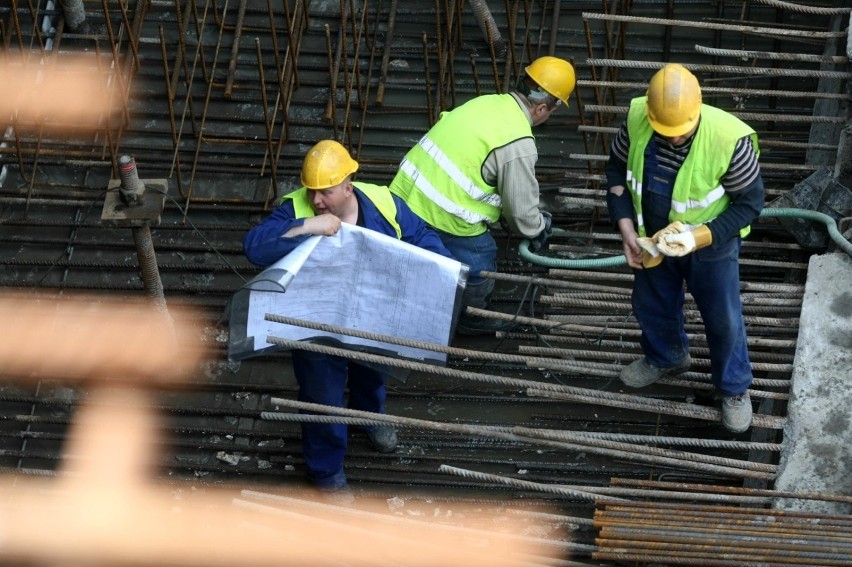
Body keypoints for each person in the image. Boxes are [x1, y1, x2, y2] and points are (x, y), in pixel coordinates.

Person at [243, 139, 453, 495]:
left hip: (372, 312)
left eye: (324, 193)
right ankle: (327, 474)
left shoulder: (384, 203)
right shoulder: (296, 209)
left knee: (372, 373)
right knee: (322, 398)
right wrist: (309, 225)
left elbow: (422, 237)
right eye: (311, 192)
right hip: (317, 321)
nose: (316, 200)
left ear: (347, 187)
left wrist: (441, 274)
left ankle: (368, 417)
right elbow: (254, 247)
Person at [605, 63, 765, 433]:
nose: (673, 139)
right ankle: (667, 356)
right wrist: (626, 228)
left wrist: (696, 238)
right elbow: (616, 171)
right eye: (665, 132)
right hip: (652, 238)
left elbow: (749, 205)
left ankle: (734, 388)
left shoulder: (729, 141)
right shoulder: (636, 120)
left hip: (711, 245)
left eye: (681, 133)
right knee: (651, 303)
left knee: (723, 318)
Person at [389, 56, 576, 335]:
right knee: (480, 258)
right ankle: (470, 318)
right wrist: (537, 228)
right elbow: (521, 213)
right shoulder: (518, 142)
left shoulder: (486, 102)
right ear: (540, 108)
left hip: (402, 193)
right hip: (441, 212)